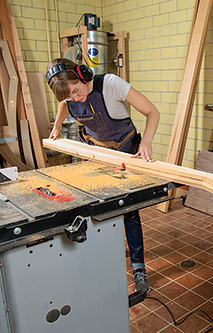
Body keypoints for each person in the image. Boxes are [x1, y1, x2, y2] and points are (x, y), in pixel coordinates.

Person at [46, 58, 159, 293]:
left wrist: (146, 141)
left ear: (82, 74)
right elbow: (63, 105)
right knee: (99, 206)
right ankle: (109, 253)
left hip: (126, 154)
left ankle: (138, 268)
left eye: (77, 91)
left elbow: (152, 112)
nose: (76, 99)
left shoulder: (110, 84)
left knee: (128, 210)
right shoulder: (70, 97)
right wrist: (56, 127)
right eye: (70, 97)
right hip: (98, 156)